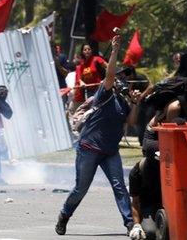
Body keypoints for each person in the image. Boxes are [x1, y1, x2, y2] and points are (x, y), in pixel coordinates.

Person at [55, 35, 142, 236]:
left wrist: (136, 102)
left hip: (110, 151)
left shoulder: (124, 103)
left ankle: (129, 224)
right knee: (81, 189)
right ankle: (64, 214)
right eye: (120, 77)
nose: (123, 80)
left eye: (125, 78)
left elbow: (131, 122)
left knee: (120, 187)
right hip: (89, 149)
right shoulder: (105, 92)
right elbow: (110, 74)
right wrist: (114, 51)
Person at [128, 75, 187, 239]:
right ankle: (151, 211)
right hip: (156, 140)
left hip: (178, 140)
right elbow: (171, 137)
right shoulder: (175, 106)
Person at [116, 66, 154, 145]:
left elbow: (151, 86)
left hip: (148, 101)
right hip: (137, 103)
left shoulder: (140, 78)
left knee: (147, 121)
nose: (126, 76)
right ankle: (142, 142)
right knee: (139, 122)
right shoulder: (127, 82)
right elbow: (128, 94)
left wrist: (141, 96)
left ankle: (149, 141)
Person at [69, 43, 108, 113]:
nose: (87, 51)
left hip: (99, 89)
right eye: (85, 50)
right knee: (91, 110)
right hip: (89, 91)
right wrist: (81, 83)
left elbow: (108, 67)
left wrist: (106, 79)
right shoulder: (82, 64)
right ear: (82, 52)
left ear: (91, 51)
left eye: (89, 49)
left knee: (99, 108)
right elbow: (79, 78)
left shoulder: (97, 59)